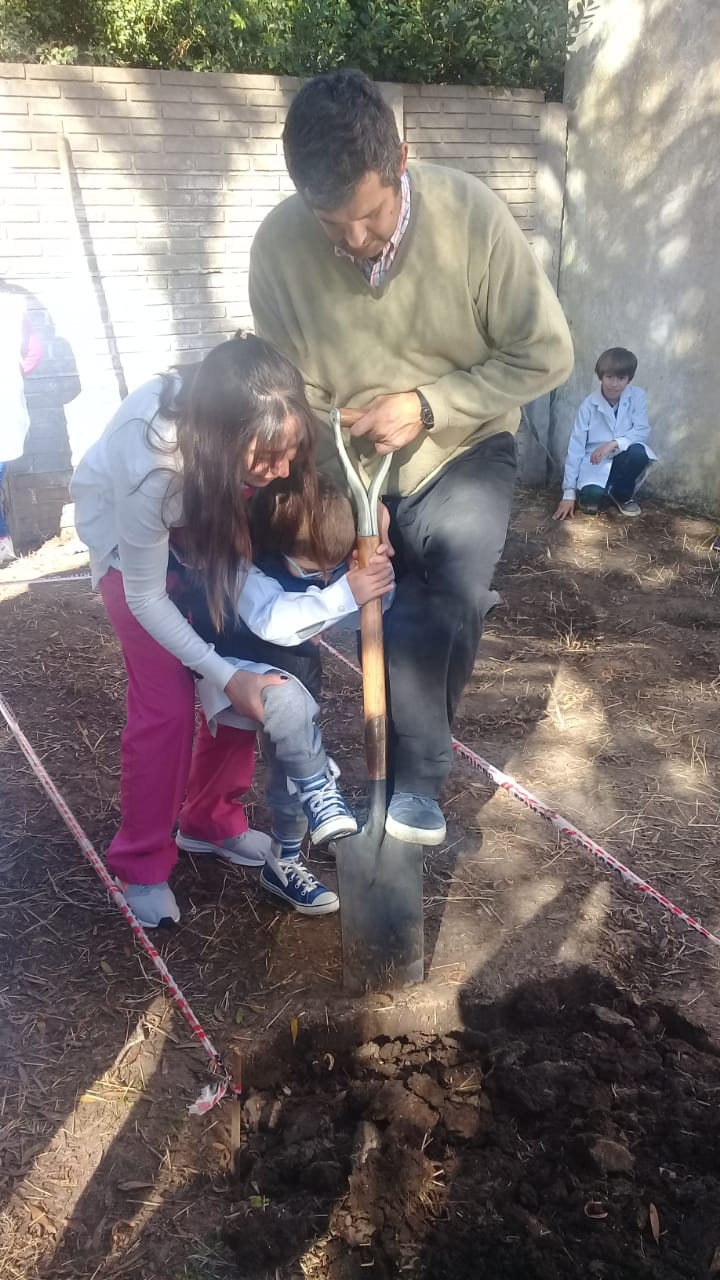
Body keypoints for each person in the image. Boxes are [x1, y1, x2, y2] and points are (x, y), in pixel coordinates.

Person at [248, 70, 574, 847]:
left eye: (369, 216)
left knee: (448, 586)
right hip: (352, 463)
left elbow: (547, 354)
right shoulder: (278, 249)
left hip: (464, 442)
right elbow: (292, 390)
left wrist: (428, 405)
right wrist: (347, 500)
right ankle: (316, 786)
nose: (354, 242)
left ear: (402, 157)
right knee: (355, 596)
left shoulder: (472, 219)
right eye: (332, 224)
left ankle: (416, 785)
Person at [70, 334, 389, 927]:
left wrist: (369, 523)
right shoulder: (153, 466)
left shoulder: (262, 418)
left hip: (208, 525)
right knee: (167, 706)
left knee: (251, 665)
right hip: (134, 555)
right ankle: (142, 864)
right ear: (220, 441)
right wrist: (222, 674)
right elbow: (145, 595)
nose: (283, 470)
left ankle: (208, 820)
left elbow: (305, 474)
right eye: (265, 460)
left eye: (289, 451)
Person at [177, 474, 394, 915]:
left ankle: (285, 861)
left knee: (288, 770)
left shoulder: (317, 564)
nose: (322, 579)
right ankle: (319, 790)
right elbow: (273, 620)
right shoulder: (245, 566)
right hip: (238, 673)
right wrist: (342, 594)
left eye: (329, 570)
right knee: (297, 740)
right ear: (275, 549)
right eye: (312, 571)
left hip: (291, 675)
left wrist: (372, 577)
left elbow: (352, 607)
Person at [553, 347, 656, 521]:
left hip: (622, 456)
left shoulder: (637, 396)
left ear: (629, 378)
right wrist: (568, 493)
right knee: (590, 502)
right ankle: (600, 489)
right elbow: (576, 446)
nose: (615, 384)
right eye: (609, 377)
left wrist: (614, 443)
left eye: (621, 378)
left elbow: (642, 430)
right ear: (600, 377)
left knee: (638, 452)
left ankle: (622, 494)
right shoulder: (588, 405)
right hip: (594, 462)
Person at [0, 284, 42, 565]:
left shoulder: (11, 309)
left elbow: (33, 352)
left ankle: (3, 544)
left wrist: (13, 374)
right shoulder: (12, 309)